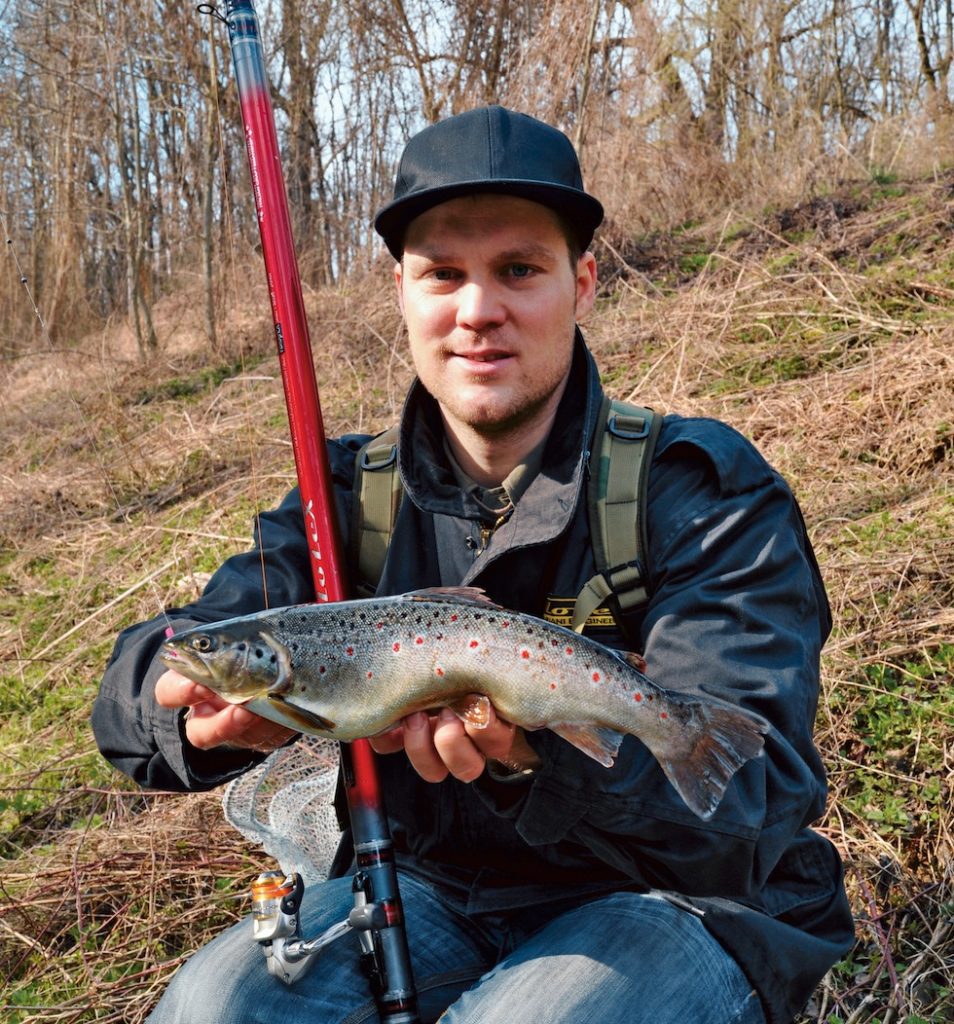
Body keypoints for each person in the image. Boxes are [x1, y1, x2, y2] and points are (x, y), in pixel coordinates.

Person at [92, 105, 854, 1024]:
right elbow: (157, 671)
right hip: (427, 890)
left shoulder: (703, 491)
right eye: (442, 274)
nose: (477, 310)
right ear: (403, 294)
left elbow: (752, 800)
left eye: (519, 271)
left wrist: (539, 758)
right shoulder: (341, 498)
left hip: (672, 900)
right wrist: (186, 715)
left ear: (584, 281)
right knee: (216, 1006)